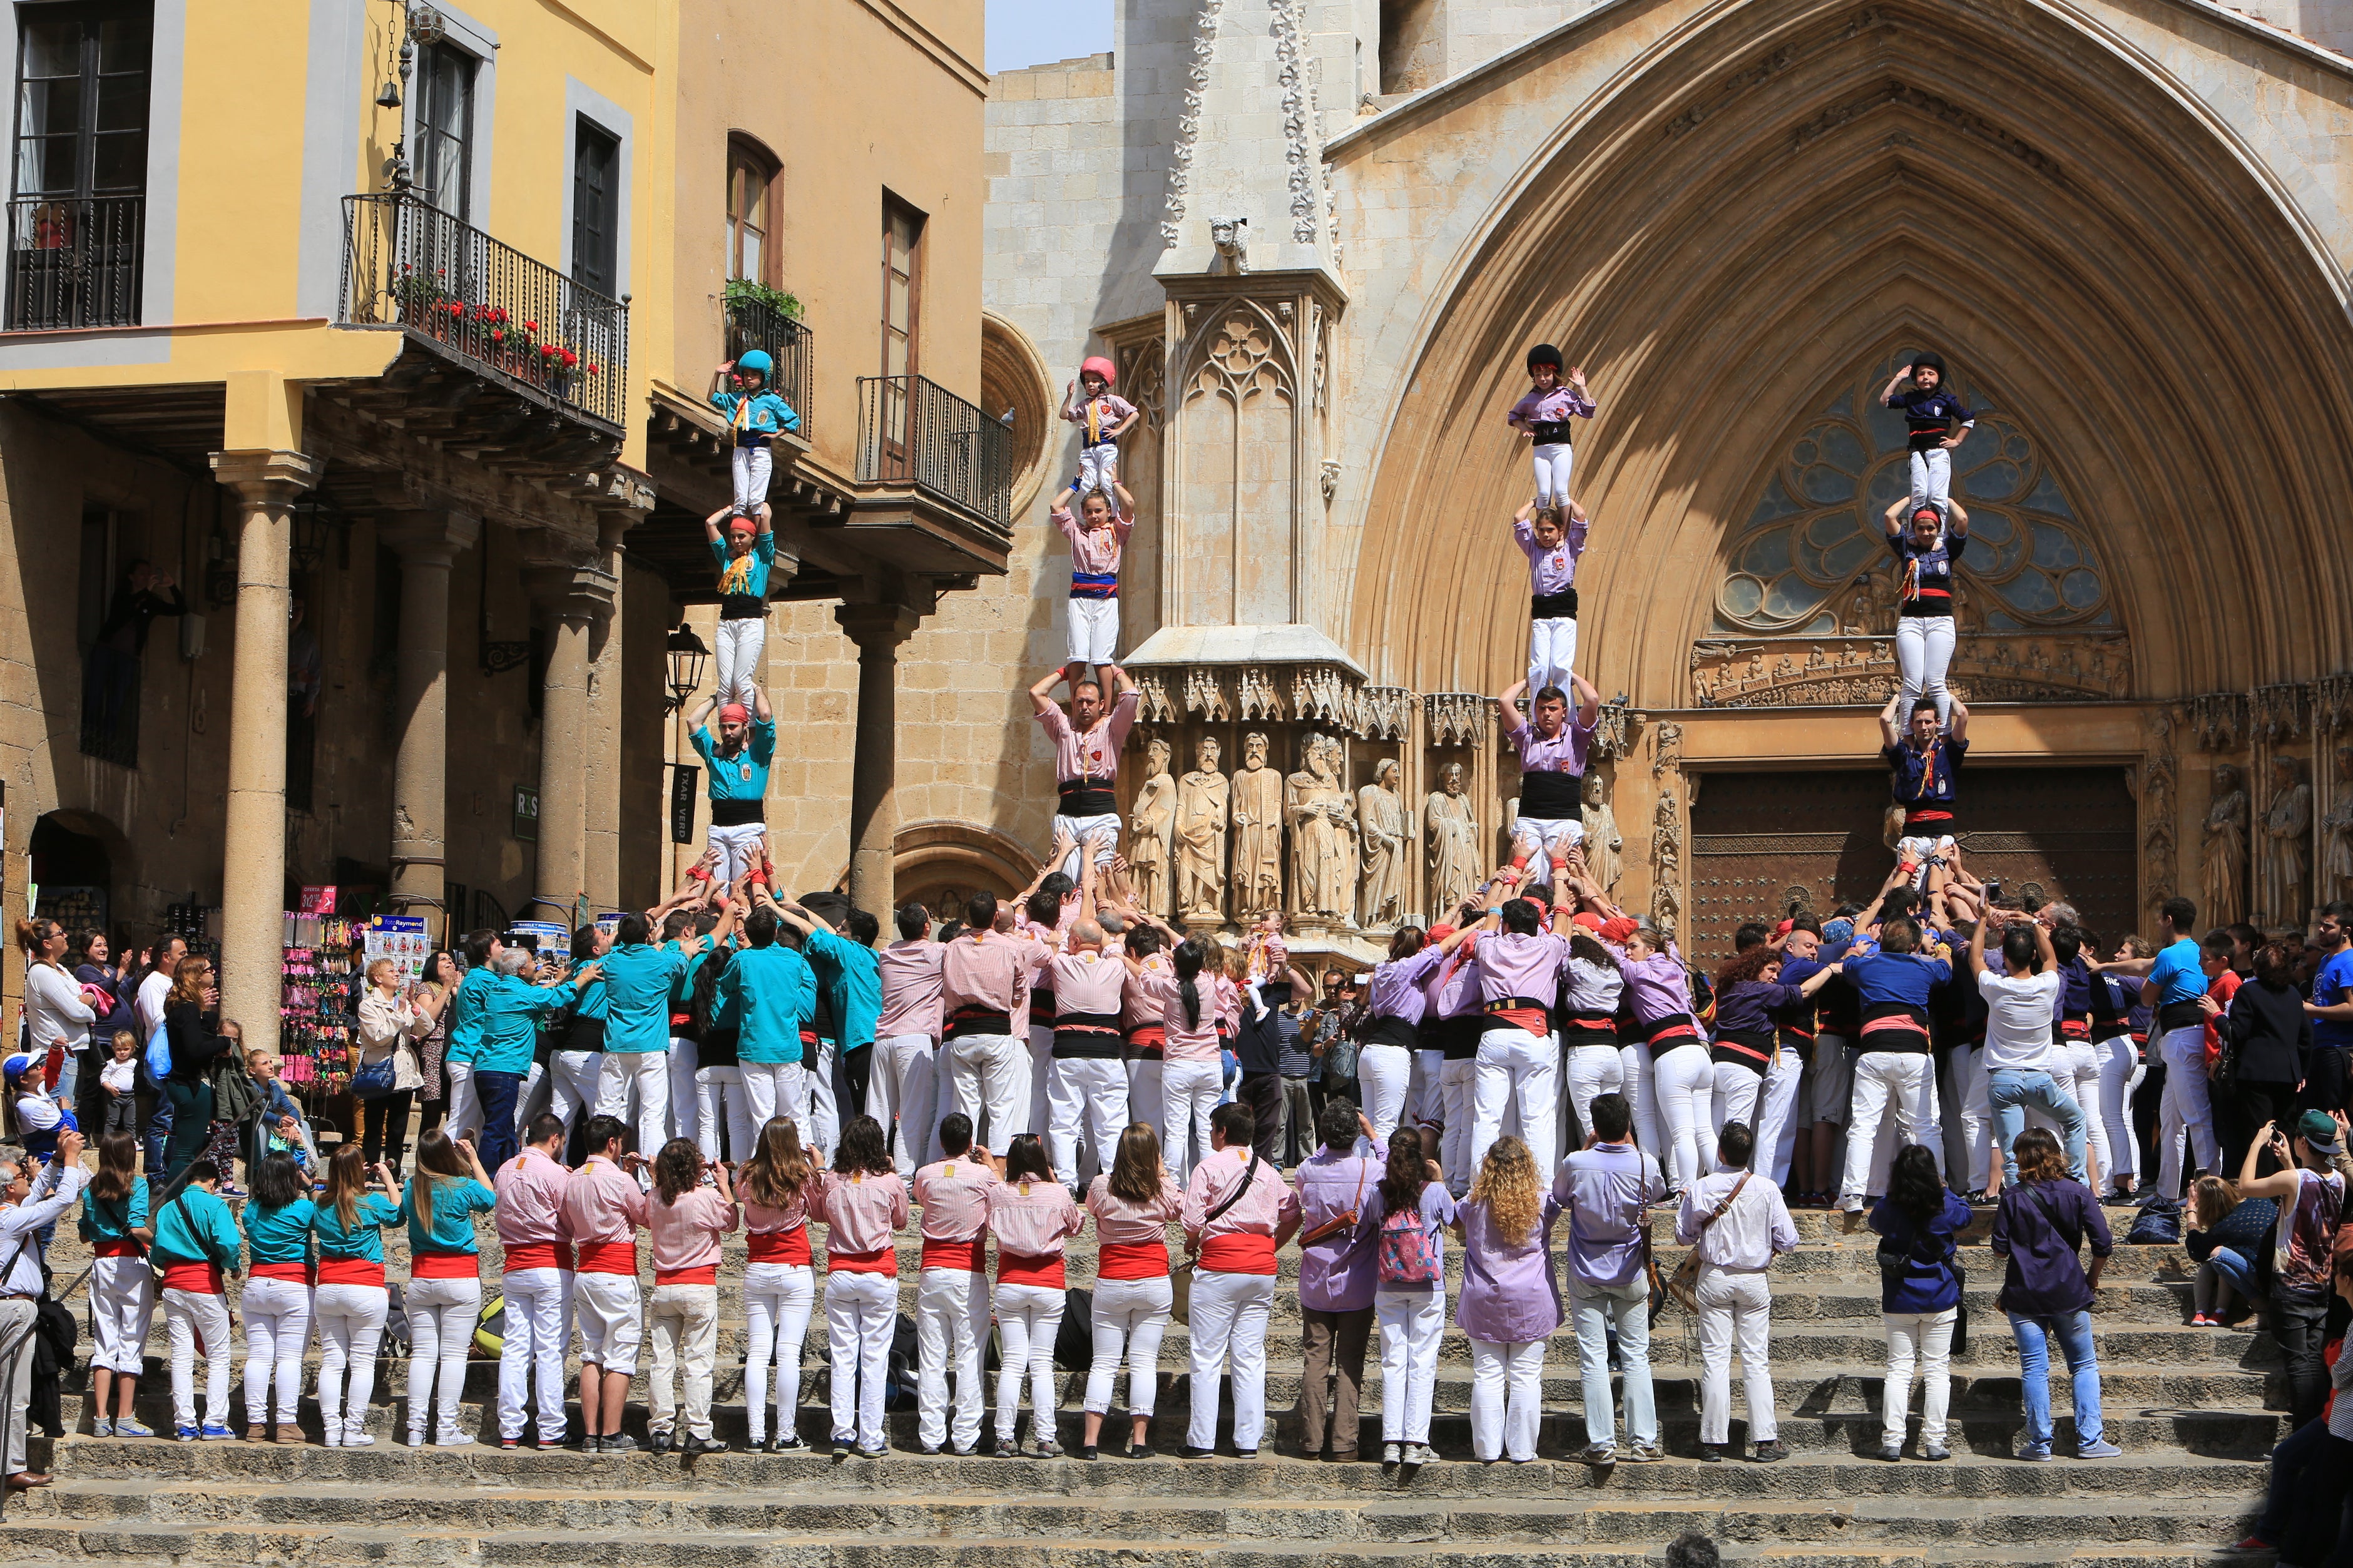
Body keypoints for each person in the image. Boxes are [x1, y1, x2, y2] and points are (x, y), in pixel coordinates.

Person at [1181, 1101, 1302, 1458]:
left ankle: (1201, 1440)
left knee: (1207, 1355)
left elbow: (1191, 1221)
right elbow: (1293, 1212)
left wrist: (1192, 1244)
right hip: (1261, 1269)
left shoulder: (1207, 1168)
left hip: (1219, 1268)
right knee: (1250, 1356)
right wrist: (1271, 1247)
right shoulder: (1267, 1171)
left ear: (1221, 1132)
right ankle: (1248, 1440)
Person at [1991, 1126, 2117, 1460]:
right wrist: (2091, 1276)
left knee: (2034, 1367)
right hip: (2069, 1290)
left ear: (2021, 1158)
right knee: (2084, 1365)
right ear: (2056, 1155)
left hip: (2024, 1292)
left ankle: (2039, 1444)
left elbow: (2000, 1250)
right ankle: (2090, 1441)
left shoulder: (2013, 1196)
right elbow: (2103, 1243)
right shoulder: (2079, 1192)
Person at [1678, 1121, 1798, 1462]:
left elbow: (1684, 1237)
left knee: (1716, 1360)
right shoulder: (1768, 1188)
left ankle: (1713, 1442)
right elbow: (1789, 1241)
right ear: (1750, 1153)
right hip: (1754, 1279)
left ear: (1720, 1152)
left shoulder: (1702, 1188)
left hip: (1714, 1277)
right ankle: (1765, 1441)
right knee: (1756, 1360)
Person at [1556, 1090, 1665, 1465]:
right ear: (1628, 1126)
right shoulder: (1644, 1164)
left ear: (1595, 1128)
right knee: (1637, 1355)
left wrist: (1589, 1149)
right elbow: (1660, 1191)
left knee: (1593, 1358)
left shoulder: (1576, 1162)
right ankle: (1644, 1440)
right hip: (1631, 1269)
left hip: (1586, 1269)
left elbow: (1559, 1196)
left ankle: (1602, 1444)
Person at [2234, 1111, 2345, 1430]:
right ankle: (2317, 1430)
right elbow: (2306, 1191)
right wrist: (2288, 1164)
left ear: (2301, 1141)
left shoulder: (2294, 1180)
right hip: (2321, 1286)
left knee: (2299, 1364)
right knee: (2312, 1360)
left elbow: (2244, 1186)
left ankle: (2305, 1432)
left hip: (2291, 1287)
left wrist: (2256, 1144)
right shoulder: (2337, 1180)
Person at [1453, 1135, 1560, 1464]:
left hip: (1484, 1296)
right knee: (1527, 1374)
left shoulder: (1473, 1202)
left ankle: (1486, 1448)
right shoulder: (1543, 1202)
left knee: (1487, 1372)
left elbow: (1455, 1223)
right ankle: (1522, 1449)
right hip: (1531, 1296)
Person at [2101, 896, 2216, 1202]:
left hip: (2182, 1036)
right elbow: (2142, 965)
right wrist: (2105, 965)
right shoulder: (2196, 951)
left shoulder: (2169, 955)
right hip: (2187, 1036)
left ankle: (2211, 1191)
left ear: (2168, 920)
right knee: (2171, 1119)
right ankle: (2166, 1192)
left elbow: (2147, 998)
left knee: (2197, 1115)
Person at [1839, 917, 1953, 1212]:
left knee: (1863, 1125)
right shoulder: (1925, 966)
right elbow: (1946, 970)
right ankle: (1938, 1189)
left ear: (1883, 943)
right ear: (1914, 946)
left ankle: (1853, 1194)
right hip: (1914, 1054)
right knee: (1926, 1126)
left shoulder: (1866, 966)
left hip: (1873, 1052)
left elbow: (1847, 963)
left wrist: (1856, 948)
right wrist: (1939, 946)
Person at [810, 1114, 908, 1457]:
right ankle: (871, 1436)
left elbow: (820, 1214)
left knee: (843, 1357)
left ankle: (842, 1433)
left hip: (841, 1272)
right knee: (875, 1358)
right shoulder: (889, 1181)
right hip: (879, 1272)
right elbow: (901, 1219)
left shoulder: (834, 1181)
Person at [1083, 1121, 1181, 1460]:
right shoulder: (1162, 1189)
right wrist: (1163, 1173)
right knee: (1143, 1362)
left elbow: (1092, 1210)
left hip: (1112, 1279)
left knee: (1104, 1362)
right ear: (1153, 1155)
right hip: (1153, 1281)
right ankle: (1139, 1442)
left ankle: (1090, 1443)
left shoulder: (1101, 1186)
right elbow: (1180, 1209)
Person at [1294, 1099, 1384, 1464]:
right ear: (1356, 1134)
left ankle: (1311, 1441)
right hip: (1358, 1283)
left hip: (1316, 1280)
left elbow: (1313, 1165)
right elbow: (1395, 1171)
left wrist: (1329, 1140)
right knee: (1350, 1363)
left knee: (1315, 1361)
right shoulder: (1372, 1171)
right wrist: (1374, 1136)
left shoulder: (1307, 1171)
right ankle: (1345, 1443)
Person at [1968, 914, 2086, 1186]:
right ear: (2032, 955)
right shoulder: (2047, 985)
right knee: (2076, 1120)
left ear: (2005, 957)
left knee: (2011, 1150)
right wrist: (2034, 921)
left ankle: (2015, 1197)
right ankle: (2077, 1181)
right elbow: (2050, 960)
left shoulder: (1996, 986)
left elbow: (1975, 959)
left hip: (2004, 1079)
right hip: (2039, 1077)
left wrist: (1984, 920)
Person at [986, 1133, 1085, 1457]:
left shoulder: (1000, 1192)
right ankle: (1045, 1437)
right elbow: (1076, 1226)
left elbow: (989, 1224)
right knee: (1042, 1362)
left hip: (1011, 1280)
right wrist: (1054, 1182)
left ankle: (1004, 1437)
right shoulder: (1056, 1193)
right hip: (1048, 1281)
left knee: (1013, 1362)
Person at [396, 1130, 496, 1447]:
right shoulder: (462, 1187)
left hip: (422, 1279)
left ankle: (415, 1429)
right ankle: (446, 1428)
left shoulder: (413, 1188)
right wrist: (473, 1159)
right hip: (460, 1278)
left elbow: (399, 1215)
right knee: (453, 1356)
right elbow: (490, 1198)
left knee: (424, 1355)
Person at [1869, 1144, 1969, 1460]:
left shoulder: (1889, 1207)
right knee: (1937, 1370)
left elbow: (1876, 1222)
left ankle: (1893, 1440)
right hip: (1939, 1296)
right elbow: (1965, 1215)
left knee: (1899, 1369)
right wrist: (1945, 1189)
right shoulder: (1945, 1207)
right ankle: (1935, 1442)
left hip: (1900, 1298)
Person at [638, 1136, 736, 1455]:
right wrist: (724, 1184)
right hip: (698, 1285)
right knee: (698, 1363)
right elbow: (732, 1222)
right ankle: (698, 1429)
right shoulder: (705, 1197)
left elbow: (655, 1202)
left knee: (661, 1362)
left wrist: (656, 1178)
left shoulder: (654, 1198)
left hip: (664, 1286)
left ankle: (662, 1429)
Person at [911, 1112, 997, 1456]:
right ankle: (964, 1436)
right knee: (968, 1356)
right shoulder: (982, 1175)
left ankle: (931, 1436)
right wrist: (991, 1166)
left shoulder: (926, 1174)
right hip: (967, 1271)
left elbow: (920, 1196)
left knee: (931, 1358)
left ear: (941, 1142)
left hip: (932, 1270)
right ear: (970, 1142)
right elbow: (1004, 1196)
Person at [3, 1131, 86, 1485]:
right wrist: (69, 1161)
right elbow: (62, 1199)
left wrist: (52, 1161)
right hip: (13, 1311)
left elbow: (36, 1197)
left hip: (16, 1309)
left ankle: (13, 1464)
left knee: (13, 1393)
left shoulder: (12, 1214)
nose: (27, 1176)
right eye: (22, 1174)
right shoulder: (9, 1220)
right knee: (13, 1394)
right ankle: (12, 1467)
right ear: (8, 1188)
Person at [1368, 1124, 1454, 1467]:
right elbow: (1457, 1222)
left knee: (1392, 1362)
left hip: (1388, 1285)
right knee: (1423, 1361)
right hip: (1428, 1287)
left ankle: (1391, 1440)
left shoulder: (1379, 1192)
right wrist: (1442, 1180)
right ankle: (1416, 1442)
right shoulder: (1433, 1192)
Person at [489, 1112, 576, 1450]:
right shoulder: (555, 1173)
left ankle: (510, 1427)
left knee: (515, 1348)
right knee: (550, 1349)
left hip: (515, 1265)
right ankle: (550, 1428)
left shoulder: (505, 1170)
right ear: (555, 1139)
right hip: (551, 1264)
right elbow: (569, 1223)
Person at [563, 1114, 648, 1452]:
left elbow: (567, 1220)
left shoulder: (573, 1179)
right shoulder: (619, 1179)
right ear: (612, 1144)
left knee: (592, 1354)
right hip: (616, 1273)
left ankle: (590, 1434)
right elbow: (644, 1215)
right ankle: (611, 1433)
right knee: (620, 1356)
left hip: (585, 1271)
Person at [471, 947, 595, 1174]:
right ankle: (487, 1180)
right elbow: (556, 998)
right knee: (497, 1130)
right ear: (520, 970)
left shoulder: (500, 990)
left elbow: (536, 995)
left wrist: (553, 980)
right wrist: (583, 978)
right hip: (504, 1070)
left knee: (507, 1128)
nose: (535, 967)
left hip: (487, 1069)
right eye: (531, 963)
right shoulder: (521, 994)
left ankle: (507, 1173)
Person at [1709, 944, 1840, 1156]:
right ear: (1755, 967)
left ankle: (1711, 1181)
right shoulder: (1759, 990)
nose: (1775, 977)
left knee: (1716, 1131)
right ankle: (1733, 1185)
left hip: (1720, 1064)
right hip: (1744, 1067)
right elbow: (1804, 992)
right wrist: (1830, 970)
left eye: (1779, 972)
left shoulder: (1731, 989)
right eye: (1771, 970)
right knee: (1736, 1131)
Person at [313, 1143, 401, 1448]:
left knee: (332, 1361)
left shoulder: (319, 1204)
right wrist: (388, 1179)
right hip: (365, 1287)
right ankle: (353, 1429)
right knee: (362, 1363)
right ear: (359, 1169)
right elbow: (399, 1214)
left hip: (328, 1288)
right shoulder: (371, 1202)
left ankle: (330, 1429)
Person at [595, 912, 703, 1162]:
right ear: (648, 935)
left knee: (606, 1111)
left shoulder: (611, 961)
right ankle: (649, 1178)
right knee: (652, 1115)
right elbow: (681, 960)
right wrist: (684, 948)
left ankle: (602, 1167)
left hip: (616, 1045)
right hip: (650, 1046)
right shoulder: (661, 960)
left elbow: (606, 951)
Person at [738, 1116, 817, 1452]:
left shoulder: (746, 1174)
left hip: (758, 1268)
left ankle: (756, 1433)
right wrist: (820, 1167)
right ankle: (785, 1433)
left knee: (758, 1353)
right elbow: (821, 1207)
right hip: (795, 1267)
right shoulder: (802, 1176)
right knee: (787, 1354)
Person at [151, 1153, 239, 1441]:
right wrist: (233, 1265)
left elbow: (158, 1253)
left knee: (181, 1355)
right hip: (205, 1284)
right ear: (212, 1181)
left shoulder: (167, 1209)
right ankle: (214, 1422)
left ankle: (185, 1424)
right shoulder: (216, 1205)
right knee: (218, 1356)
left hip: (174, 1286)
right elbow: (227, 1243)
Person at [1125, 937, 1223, 1185]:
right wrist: (1176, 957)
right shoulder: (1209, 983)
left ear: (1176, 966)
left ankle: (1173, 1185)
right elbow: (1194, 969)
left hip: (1179, 1064)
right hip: (1210, 1064)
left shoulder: (1170, 986)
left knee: (1176, 1131)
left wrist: (1122, 957)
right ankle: (1211, 1183)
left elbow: (1142, 976)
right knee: (1206, 1130)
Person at [1031, 664, 1140, 882]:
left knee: (1098, 880)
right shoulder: (1063, 728)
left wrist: (1114, 671)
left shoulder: (1112, 729)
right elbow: (1036, 693)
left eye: (1090, 702)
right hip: (1068, 816)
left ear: (1101, 704)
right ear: (1073, 703)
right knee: (1065, 881)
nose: (1084, 707)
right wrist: (1064, 673)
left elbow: (1131, 696)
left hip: (1100, 815)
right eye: (1079, 701)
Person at [78, 1131, 154, 1438]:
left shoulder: (91, 1188)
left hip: (101, 1264)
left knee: (104, 1340)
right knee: (131, 1340)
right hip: (131, 1266)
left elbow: (84, 1234)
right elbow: (137, 1227)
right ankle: (125, 1417)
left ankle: (100, 1419)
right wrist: (158, 1240)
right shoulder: (137, 1184)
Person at [2212, 940, 2313, 1173]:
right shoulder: (2292, 994)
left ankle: (2265, 1193)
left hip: (2255, 1073)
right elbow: (2306, 1037)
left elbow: (2236, 1033)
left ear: (2258, 968)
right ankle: (2286, 1186)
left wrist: (2216, 1015)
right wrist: (2302, 1071)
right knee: (2284, 1131)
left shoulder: (2249, 991)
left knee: (2260, 1132)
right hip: (2288, 1073)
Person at [234, 1149, 314, 1442]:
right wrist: (309, 1187)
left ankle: (255, 1424)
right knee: (290, 1359)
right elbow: (321, 1217)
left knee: (258, 1357)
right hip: (295, 1286)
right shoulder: (303, 1209)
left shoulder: (251, 1209)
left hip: (257, 1286)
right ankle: (286, 1423)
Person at [1499, 673, 1601, 894]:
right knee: (1527, 876)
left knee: (1558, 876)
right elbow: (1505, 702)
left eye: (1553, 708)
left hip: (1563, 818)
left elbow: (1592, 699)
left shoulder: (1576, 737)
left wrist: (1568, 675)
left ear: (1564, 711)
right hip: (1531, 817)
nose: (1546, 713)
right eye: (1541, 708)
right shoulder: (1527, 737)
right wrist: (1531, 681)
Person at [1878, 497, 1973, 731]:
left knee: (1935, 681)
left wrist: (1944, 499)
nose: (1926, 533)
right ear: (1914, 529)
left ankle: (1941, 735)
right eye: (1920, 528)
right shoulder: (1906, 549)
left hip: (1941, 622)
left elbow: (1962, 520)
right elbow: (1890, 517)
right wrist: (1913, 499)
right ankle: (1909, 735)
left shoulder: (1947, 551)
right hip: (1911, 622)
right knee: (1911, 683)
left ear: (1939, 530)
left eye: (1931, 528)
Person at [874, 904, 947, 1176]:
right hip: (914, 1038)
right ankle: (904, 1176)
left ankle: (872, 1168)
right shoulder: (936, 953)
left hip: (883, 1039)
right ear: (927, 927)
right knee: (911, 1113)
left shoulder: (886, 954)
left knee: (879, 1109)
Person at [1049, 477, 1138, 693]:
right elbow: (1056, 506)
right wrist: (1075, 485)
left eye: (1098, 511)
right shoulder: (1076, 532)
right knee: (1078, 656)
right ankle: (1077, 703)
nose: (1093, 516)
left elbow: (1129, 504)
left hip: (1106, 599)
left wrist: (1114, 482)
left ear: (1109, 511)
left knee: (1101, 659)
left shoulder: (1118, 532)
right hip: (1080, 599)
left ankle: (1106, 710)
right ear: (1083, 513)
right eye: (1088, 512)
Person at [355, 957, 439, 1176]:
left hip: (403, 1072)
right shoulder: (368, 1005)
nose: (396, 974)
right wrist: (401, 1015)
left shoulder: (402, 1003)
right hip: (379, 1068)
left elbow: (425, 1029)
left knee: (398, 1126)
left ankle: (393, 1171)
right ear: (377, 978)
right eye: (390, 971)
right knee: (373, 1125)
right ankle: (370, 1169)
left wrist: (416, 1009)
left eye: (396, 970)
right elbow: (379, 1036)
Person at [687, 685, 777, 885]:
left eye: (733, 727)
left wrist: (757, 691)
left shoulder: (757, 754)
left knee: (744, 884)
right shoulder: (714, 754)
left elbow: (765, 714)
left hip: (748, 826)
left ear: (745, 727)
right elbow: (693, 721)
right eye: (723, 727)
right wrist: (718, 697)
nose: (727, 732)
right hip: (719, 827)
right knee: (715, 884)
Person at [1881, 694, 1972, 885]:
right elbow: (1885, 720)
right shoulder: (1904, 756)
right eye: (1919, 722)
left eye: (1928, 721)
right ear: (1911, 724)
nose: (1924, 727)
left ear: (1937, 723)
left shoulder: (1948, 754)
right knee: (1908, 889)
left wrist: (1946, 695)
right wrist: (1900, 696)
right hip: (1913, 832)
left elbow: (1963, 714)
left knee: (1943, 888)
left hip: (1942, 832)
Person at [1509, 494, 1590, 694]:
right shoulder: (1534, 548)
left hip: (1563, 613)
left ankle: (1566, 714)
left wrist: (1565, 498)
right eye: (1542, 530)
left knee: (1561, 667)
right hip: (1542, 614)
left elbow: (1580, 517)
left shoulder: (1569, 548)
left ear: (1560, 531)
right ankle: (1538, 713)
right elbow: (1519, 520)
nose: (1545, 535)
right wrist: (1534, 503)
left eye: (1551, 530)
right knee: (1539, 668)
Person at [708, 347, 799, 525]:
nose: (749, 378)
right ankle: (739, 535)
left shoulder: (773, 400)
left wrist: (775, 435)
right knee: (740, 497)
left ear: (763, 377)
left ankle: (756, 539)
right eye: (746, 374)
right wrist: (717, 374)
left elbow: (793, 420)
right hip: (740, 449)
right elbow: (713, 398)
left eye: (754, 374)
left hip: (761, 449)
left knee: (757, 499)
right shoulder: (737, 398)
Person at [1878, 354, 1977, 516]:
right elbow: (1885, 400)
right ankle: (1912, 534)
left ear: (1939, 377)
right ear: (1915, 378)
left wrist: (1957, 441)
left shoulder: (1947, 400)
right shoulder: (1911, 399)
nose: (1925, 378)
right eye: (1921, 374)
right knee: (1920, 494)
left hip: (1938, 452)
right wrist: (1898, 378)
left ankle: (1939, 536)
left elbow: (1968, 419)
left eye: (1931, 374)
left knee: (1938, 496)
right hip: (1917, 451)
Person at [18, 918, 94, 1122]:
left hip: (70, 1054)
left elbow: (86, 994)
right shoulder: (41, 972)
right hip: (56, 1056)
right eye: (60, 932)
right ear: (47, 944)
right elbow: (76, 1010)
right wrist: (91, 1011)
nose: (66, 935)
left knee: (65, 1111)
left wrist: (89, 1000)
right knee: (60, 1115)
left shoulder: (61, 970)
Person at [703, 505, 778, 706]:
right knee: (725, 684)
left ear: (752, 537)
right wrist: (730, 509)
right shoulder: (726, 557)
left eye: (742, 536)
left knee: (742, 681)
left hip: (750, 623)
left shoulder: (763, 556)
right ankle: (727, 725)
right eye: (734, 536)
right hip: (726, 624)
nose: (737, 541)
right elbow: (710, 523)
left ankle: (748, 728)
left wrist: (752, 502)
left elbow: (765, 514)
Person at [1504, 342, 1594, 508]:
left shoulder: (1566, 395)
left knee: (1561, 492)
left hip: (1561, 446)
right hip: (1541, 447)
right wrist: (1524, 428)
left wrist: (1582, 388)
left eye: (1547, 374)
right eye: (1538, 375)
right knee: (1544, 493)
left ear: (1554, 374)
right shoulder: (1531, 399)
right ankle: (1542, 527)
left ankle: (1563, 533)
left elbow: (1588, 411)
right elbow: (1514, 415)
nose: (1543, 379)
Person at [2185, 1173, 2276, 1327]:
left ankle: (2262, 1309)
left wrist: (2190, 1210)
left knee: (2218, 1255)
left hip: (2268, 1279)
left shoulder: (2223, 1229)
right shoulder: (2259, 1199)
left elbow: (2196, 1250)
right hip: (2286, 1267)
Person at [1061, 354, 1139, 502]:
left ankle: (1112, 514)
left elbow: (1134, 414)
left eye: (1095, 381)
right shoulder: (1084, 405)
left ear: (1103, 383)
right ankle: (1087, 515)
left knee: (1106, 480)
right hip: (1089, 448)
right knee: (1088, 483)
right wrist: (1069, 396)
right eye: (1087, 381)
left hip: (1106, 445)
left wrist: (1120, 430)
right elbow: (1064, 415)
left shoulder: (1112, 401)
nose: (1090, 385)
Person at [2308, 902, 2353, 1114]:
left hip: (2338, 1050)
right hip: (2320, 1048)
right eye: (2321, 924)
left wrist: (2313, 1010)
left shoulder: (2349, 961)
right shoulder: (2327, 959)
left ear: (2346, 931)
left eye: (2328, 926)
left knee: (2335, 1116)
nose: (2321, 930)